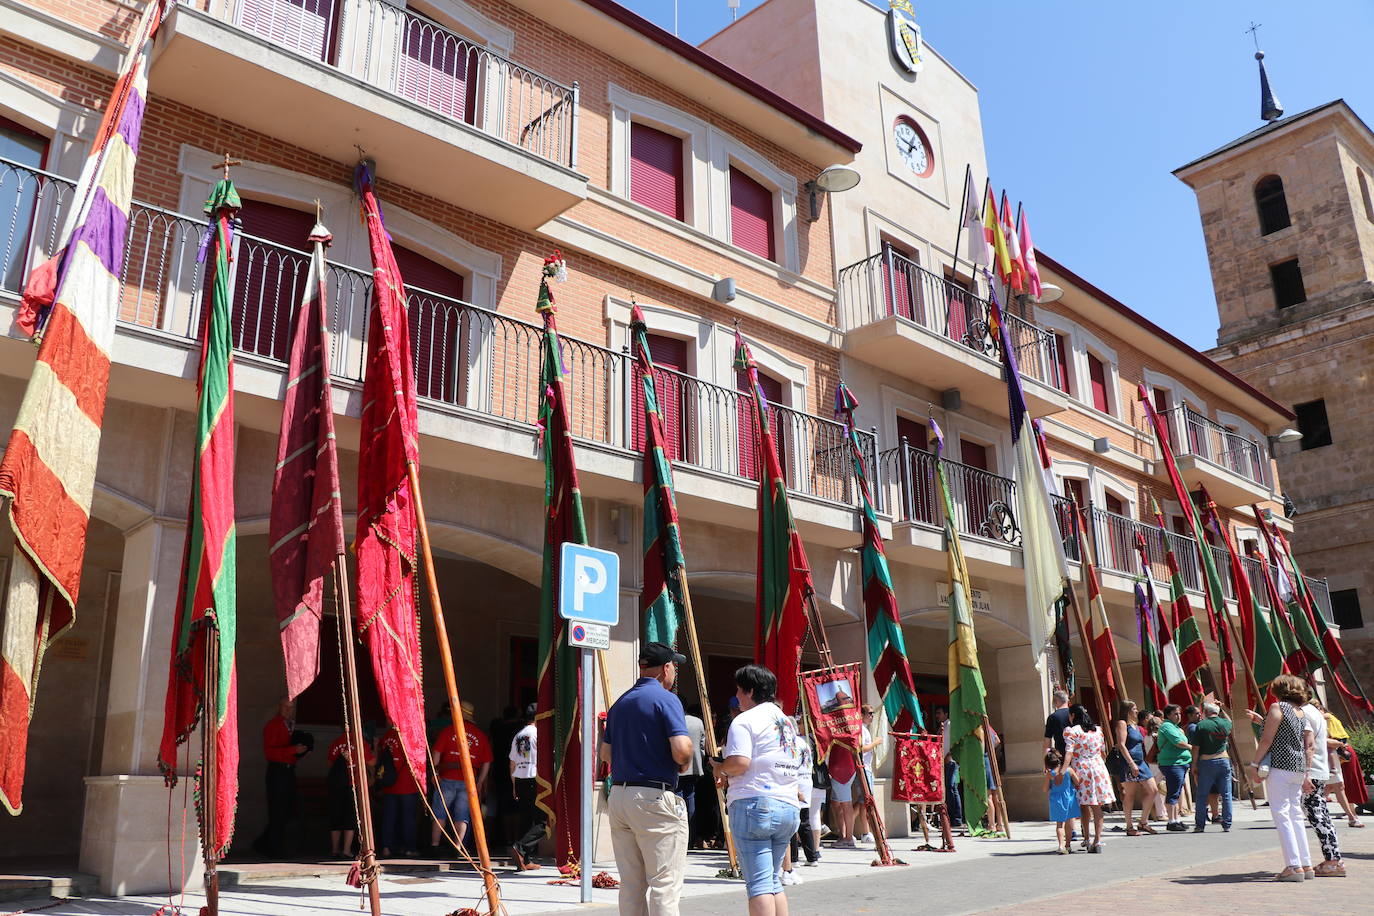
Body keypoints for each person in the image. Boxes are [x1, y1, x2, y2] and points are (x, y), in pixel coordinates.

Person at [601, 641, 693, 915]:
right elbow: (682, 749)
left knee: (631, 884)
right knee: (664, 883)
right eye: (674, 667)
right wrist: (683, 762)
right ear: (665, 669)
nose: (674, 672)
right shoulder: (667, 699)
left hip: (620, 795)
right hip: (654, 796)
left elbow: (605, 754)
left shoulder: (620, 702)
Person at [712, 665, 802, 916]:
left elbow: (740, 762)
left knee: (759, 884)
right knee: (772, 880)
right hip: (787, 804)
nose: (737, 697)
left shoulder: (744, 720)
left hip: (755, 805)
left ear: (750, 691)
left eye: (739, 691)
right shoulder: (787, 722)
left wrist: (720, 769)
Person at [1250, 674, 1315, 881]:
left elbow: (1267, 739)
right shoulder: (1300, 712)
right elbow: (1301, 741)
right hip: (1297, 766)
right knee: (1295, 815)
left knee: (1282, 814)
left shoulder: (1278, 708)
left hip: (1280, 766)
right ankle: (1305, 863)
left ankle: (1293, 866)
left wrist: (1254, 764)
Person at [429, 700, 492, 854]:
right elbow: (487, 762)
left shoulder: (448, 731)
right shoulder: (480, 735)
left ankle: (435, 846)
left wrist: (435, 773)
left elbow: (436, 753)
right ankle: (458, 848)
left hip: (447, 778)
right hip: (468, 781)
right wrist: (480, 781)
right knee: (462, 816)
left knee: (439, 814)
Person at [254, 696, 309, 858]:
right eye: (285, 707)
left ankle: (265, 844)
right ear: (279, 707)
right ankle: (273, 848)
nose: (288, 710)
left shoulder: (290, 726)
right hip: (277, 770)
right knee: (277, 810)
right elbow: (270, 752)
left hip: (289, 769)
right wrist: (293, 750)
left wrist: (301, 751)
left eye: (291, 707)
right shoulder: (273, 725)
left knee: (286, 810)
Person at [1298, 688, 1345, 877]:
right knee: (1321, 815)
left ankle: (1333, 861)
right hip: (1318, 769)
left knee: (1317, 816)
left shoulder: (1306, 714)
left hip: (1313, 770)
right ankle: (1334, 858)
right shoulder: (1314, 712)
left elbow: (1309, 745)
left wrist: (1306, 773)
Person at [1060, 704, 1113, 853]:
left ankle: (1087, 838)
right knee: (1097, 805)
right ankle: (1098, 840)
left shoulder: (1072, 731)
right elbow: (1103, 752)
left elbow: (1069, 752)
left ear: (1072, 716)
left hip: (1082, 769)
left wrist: (1063, 770)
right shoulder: (1098, 731)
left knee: (1084, 805)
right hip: (1098, 767)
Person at [326, 722, 376, 858]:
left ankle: (335, 849)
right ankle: (346, 850)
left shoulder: (336, 742)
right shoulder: (359, 742)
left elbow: (330, 763)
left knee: (336, 817)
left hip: (336, 785)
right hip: (353, 784)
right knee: (350, 818)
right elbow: (372, 762)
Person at [1113, 700, 1158, 836]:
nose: (1137, 711)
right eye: (1134, 709)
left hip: (1141, 761)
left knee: (1153, 790)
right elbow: (1121, 744)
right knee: (1130, 794)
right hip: (1129, 762)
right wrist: (1131, 763)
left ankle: (1143, 822)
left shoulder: (1136, 726)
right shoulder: (1122, 724)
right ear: (1127, 710)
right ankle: (1129, 826)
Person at [509, 704, 544, 871]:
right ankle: (521, 848)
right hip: (535, 779)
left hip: (521, 778)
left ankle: (525, 859)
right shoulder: (538, 734)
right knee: (544, 821)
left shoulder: (518, 735)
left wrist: (514, 784)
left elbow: (512, 762)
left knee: (526, 819)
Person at [1188, 701, 1233, 833]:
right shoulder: (1225, 723)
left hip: (1207, 762)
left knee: (1202, 795)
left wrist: (1194, 764)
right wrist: (1222, 708)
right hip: (1224, 760)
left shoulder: (1201, 725)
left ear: (1206, 712)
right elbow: (1229, 721)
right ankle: (1227, 823)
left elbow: (1196, 748)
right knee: (1226, 794)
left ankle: (1200, 825)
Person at [378, 723, 421, 858]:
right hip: (407, 785)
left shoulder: (387, 736)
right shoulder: (410, 737)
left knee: (389, 818)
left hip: (389, 784)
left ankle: (386, 847)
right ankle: (409, 848)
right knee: (408, 819)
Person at [1322, 704, 1367, 827]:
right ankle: (1351, 815)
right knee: (1338, 785)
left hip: (1341, 754)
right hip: (1338, 753)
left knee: (1342, 785)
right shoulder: (1326, 718)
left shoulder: (1327, 717)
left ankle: (1352, 815)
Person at [1155, 705, 1192, 831]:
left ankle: (1176, 819)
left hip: (1180, 763)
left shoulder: (1176, 727)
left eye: (1179, 713)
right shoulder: (1166, 727)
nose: (1179, 716)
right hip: (1172, 763)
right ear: (1169, 715)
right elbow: (1177, 742)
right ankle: (1171, 821)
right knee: (1173, 792)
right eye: (1176, 714)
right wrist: (1191, 747)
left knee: (1176, 792)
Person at [851, 705, 880, 845]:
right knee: (865, 803)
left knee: (863, 803)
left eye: (872, 713)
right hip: (863, 769)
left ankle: (849, 828)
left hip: (867, 768)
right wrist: (876, 743)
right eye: (869, 713)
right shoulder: (861, 729)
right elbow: (861, 749)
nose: (871, 716)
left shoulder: (865, 729)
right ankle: (865, 832)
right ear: (861, 715)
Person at [678, 705, 707, 844]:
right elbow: (702, 746)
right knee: (690, 797)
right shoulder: (698, 722)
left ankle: (681, 836)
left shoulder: (675, 720)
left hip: (678, 765)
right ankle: (691, 837)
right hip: (694, 765)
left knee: (678, 800)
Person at [933, 706, 963, 829]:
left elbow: (954, 742)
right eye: (936, 713)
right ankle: (951, 817)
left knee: (951, 788)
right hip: (942, 761)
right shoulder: (942, 727)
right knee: (948, 789)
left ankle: (957, 818)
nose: (937, 715)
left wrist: (949, 755)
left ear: (946, 714)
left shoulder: (950, 725)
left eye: (939, 713)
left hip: (951, 761)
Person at [1044, 750, 1078, 854]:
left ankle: (1060, 845)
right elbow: (1077, 782)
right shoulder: (1069, 771)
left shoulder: (1050, 774)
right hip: (1069, 799)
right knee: (1068, 824)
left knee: (1059, 824)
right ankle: (1068, 845)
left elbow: (1045, 789)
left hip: (1056, 800)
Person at [1043, 688, 1072, 757]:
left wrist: (1046, 760)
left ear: (1056, 701)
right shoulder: (1076, 713)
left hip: (1062, 754)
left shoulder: (1053, 717)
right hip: (1079, 754)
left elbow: (1047, 741)